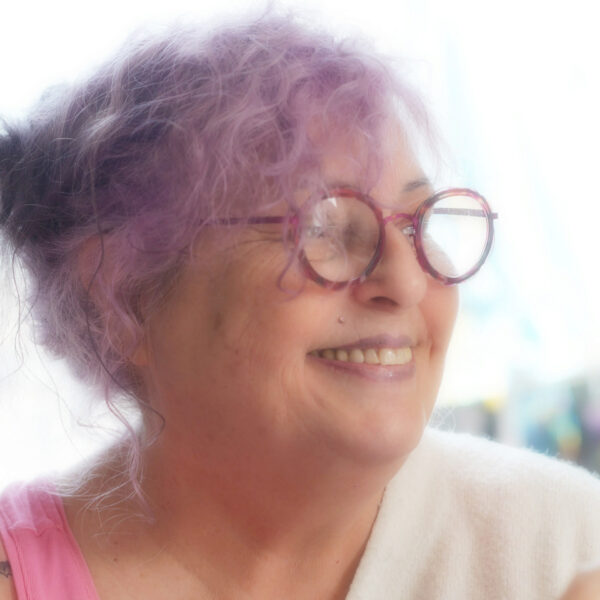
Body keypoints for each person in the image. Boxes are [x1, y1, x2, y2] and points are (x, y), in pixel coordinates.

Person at [0, 11, 599, 600]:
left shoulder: (565, 549)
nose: (408, 283)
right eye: (324, 226)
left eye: (419, 222)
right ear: (122, 298)